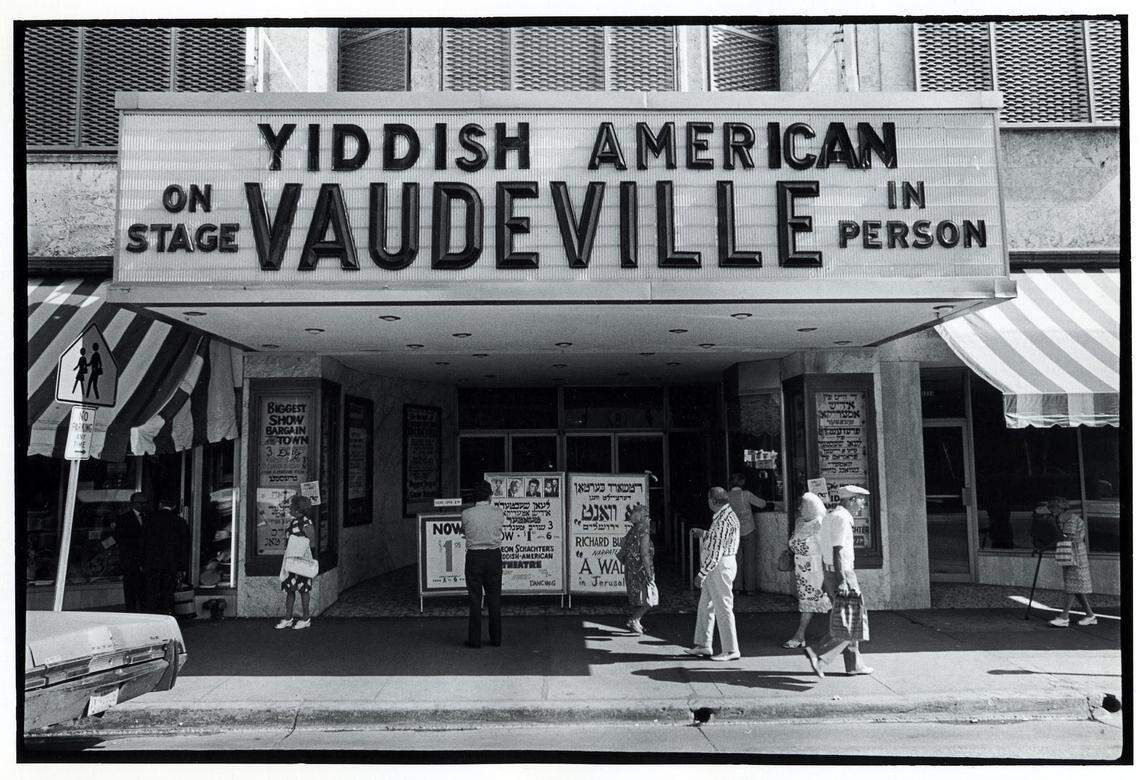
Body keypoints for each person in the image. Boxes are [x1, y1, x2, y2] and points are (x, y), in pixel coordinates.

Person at [804, 485, 873, 677]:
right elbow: (838, 551)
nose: (862, 504)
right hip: (842, 573)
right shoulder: (842, 519)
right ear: (850, 500)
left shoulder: (831, 516)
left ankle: (854, 665)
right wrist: (843, 580)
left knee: (849, 619)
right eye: (860, 500)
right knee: (852, 621)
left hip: (831, 572)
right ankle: (817, 652)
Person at [685, 487, 741, 661]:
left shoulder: (723, 520)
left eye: (709, 499)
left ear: (714, 501)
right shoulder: (726, 515)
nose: (708, 502)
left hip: (719, 566)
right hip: (720, 565)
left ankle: (731, 650)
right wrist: (705, 534)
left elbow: (717, 551)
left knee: (723, 608)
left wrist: (701, 573)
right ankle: (703, 644)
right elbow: (720, 539)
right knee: (706, 605)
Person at [782, 492, 832, 648]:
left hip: (817, 572)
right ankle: (837, 634)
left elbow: (827, 551)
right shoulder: (800, 523)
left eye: (802, 505)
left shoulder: (821, 524)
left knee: (815, 603)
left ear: (811, 507)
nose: (799, 508)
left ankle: (800, 635)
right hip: (803, 572)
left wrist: (829, 575)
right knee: (810, 603)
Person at [461, 480, 506, 648]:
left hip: (474, 557)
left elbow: (465, 532)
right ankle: (496, 639)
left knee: (474, 599)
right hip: (493, 556)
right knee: (494, 598)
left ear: (474, 496)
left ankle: (475, 640)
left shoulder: (466, 514)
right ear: (490, 496)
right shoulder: (499, 513)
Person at [1047, 497, 1098, 627]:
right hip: (1073, 553)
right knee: (1076, 586)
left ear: (1060, 508)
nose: (1051, 511)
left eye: (1052, 508)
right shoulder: (1067, 517)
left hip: (1074, 554)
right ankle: (1090, 615)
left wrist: (1053, 527)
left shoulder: (1069, 519)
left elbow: (1067, 537)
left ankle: (1064, 617)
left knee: (1072, 586)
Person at [141, 496, 190, 617]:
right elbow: (184, 547)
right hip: (171, 563)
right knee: (168, 592)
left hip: (152, 562)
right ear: (173, 507)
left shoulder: (149, 520)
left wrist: (142, 562)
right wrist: (182, 567)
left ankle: (151, 616)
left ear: (160, 505)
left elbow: (142, 542)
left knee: (151, 592)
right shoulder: (180, 522)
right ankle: (168, 615)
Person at [618, 503, 655, 635]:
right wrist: (649, 572)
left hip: (631, 569)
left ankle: (637, 621)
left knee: (640, 598)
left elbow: (622, 543)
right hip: (642, 570)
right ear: (641, 516)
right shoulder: (644, 531)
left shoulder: (633, 530)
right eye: (646, 515)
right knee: (650, 600)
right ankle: (634, 620)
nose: (649, 518)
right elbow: (644, 554)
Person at [728, 472, 766, 595]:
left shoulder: (726, 497)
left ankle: (737, 587)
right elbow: (762, 504)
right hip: (748, 530)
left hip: (733, 532)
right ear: (742, 482)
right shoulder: (746, 494)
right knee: (749, 560)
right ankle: (750, 589)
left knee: (736, 560)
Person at [113, 492, 148, 612]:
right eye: (140, 503)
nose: (143, 505)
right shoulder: (124, 519)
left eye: (145, 503)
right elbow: (121, 540)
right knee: (130, 590)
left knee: (144, 590)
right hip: (131, 561)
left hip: (145, 560)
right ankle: (131, 611)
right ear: (133, 504)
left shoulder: (149, 518)